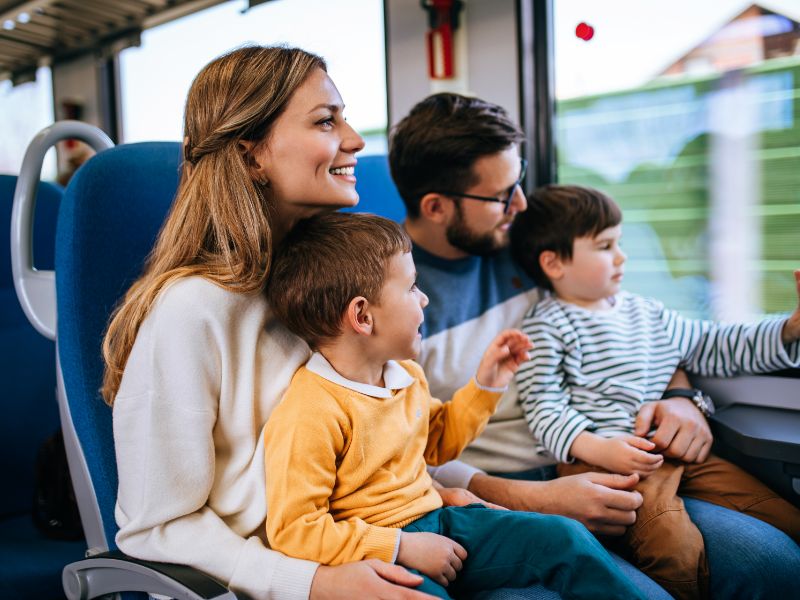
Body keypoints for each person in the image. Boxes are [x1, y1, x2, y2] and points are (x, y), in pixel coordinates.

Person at [388, 91, 800, 599]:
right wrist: (538, 497)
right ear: (435, 206)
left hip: (616, 458)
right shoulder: (395, 293)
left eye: (520, 183)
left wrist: (681, 398)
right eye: (501, 195)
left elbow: (629, 327)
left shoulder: (531, 242)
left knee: (773, 563)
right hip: (496, 494)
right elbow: (402, 450)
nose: (520, 204)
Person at [103, 45, 437, 600]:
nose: (354, 140)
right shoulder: (192, 312)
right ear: (252, 153)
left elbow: (373, 455)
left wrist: (480, 490)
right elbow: (155, 524)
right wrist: (314, 583)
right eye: (327, 120)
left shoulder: (325, 289)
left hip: (375, 539)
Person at [263, 211, 645, 600]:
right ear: (362, 316)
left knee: (563, 536)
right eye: (412, 288)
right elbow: (296, 530)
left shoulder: (405, 374)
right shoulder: (310, 411)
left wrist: (486, 385)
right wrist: (401, 547)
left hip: (442, 519)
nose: (424, 298)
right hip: (378, 551)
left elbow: (438, 443)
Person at [510, 183, 800, 599]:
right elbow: (543, 406)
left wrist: (788, 330)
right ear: (554, 264)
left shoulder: (645, 313)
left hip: (671, 451)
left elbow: (713, 345)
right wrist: (598, 448)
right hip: (607, 467)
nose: (621, 256)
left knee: (776, 513)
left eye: (619, 242)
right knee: (674, 546)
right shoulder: (548, 325)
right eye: (605, 246)